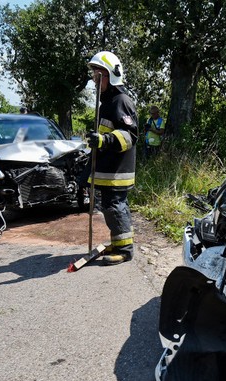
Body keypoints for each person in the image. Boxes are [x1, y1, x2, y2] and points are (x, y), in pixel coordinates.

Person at [86, 51, 138, 265]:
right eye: (94, 77)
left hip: (118, 172)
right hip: (109, 170)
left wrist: (105, 141)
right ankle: (118, 243)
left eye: (99, 76)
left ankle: (125, 250)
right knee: (110, 207)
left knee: (115, 207)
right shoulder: (107, 103)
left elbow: (130, 135)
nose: (95, 81)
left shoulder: (121, 101)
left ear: (112, 75)